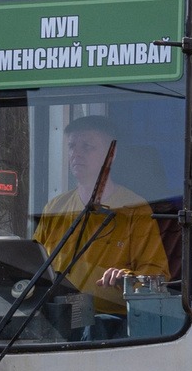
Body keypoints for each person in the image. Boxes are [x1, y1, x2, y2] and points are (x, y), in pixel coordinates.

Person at [32, 115, 172, 320]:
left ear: (111, 154)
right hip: (58, 318)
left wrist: (126, 279)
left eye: (87, 147)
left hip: (111, 322)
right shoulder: (55, 208)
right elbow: (35, 266)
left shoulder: (135, 210)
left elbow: (155, 277)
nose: (76, 153)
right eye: (72, 146)